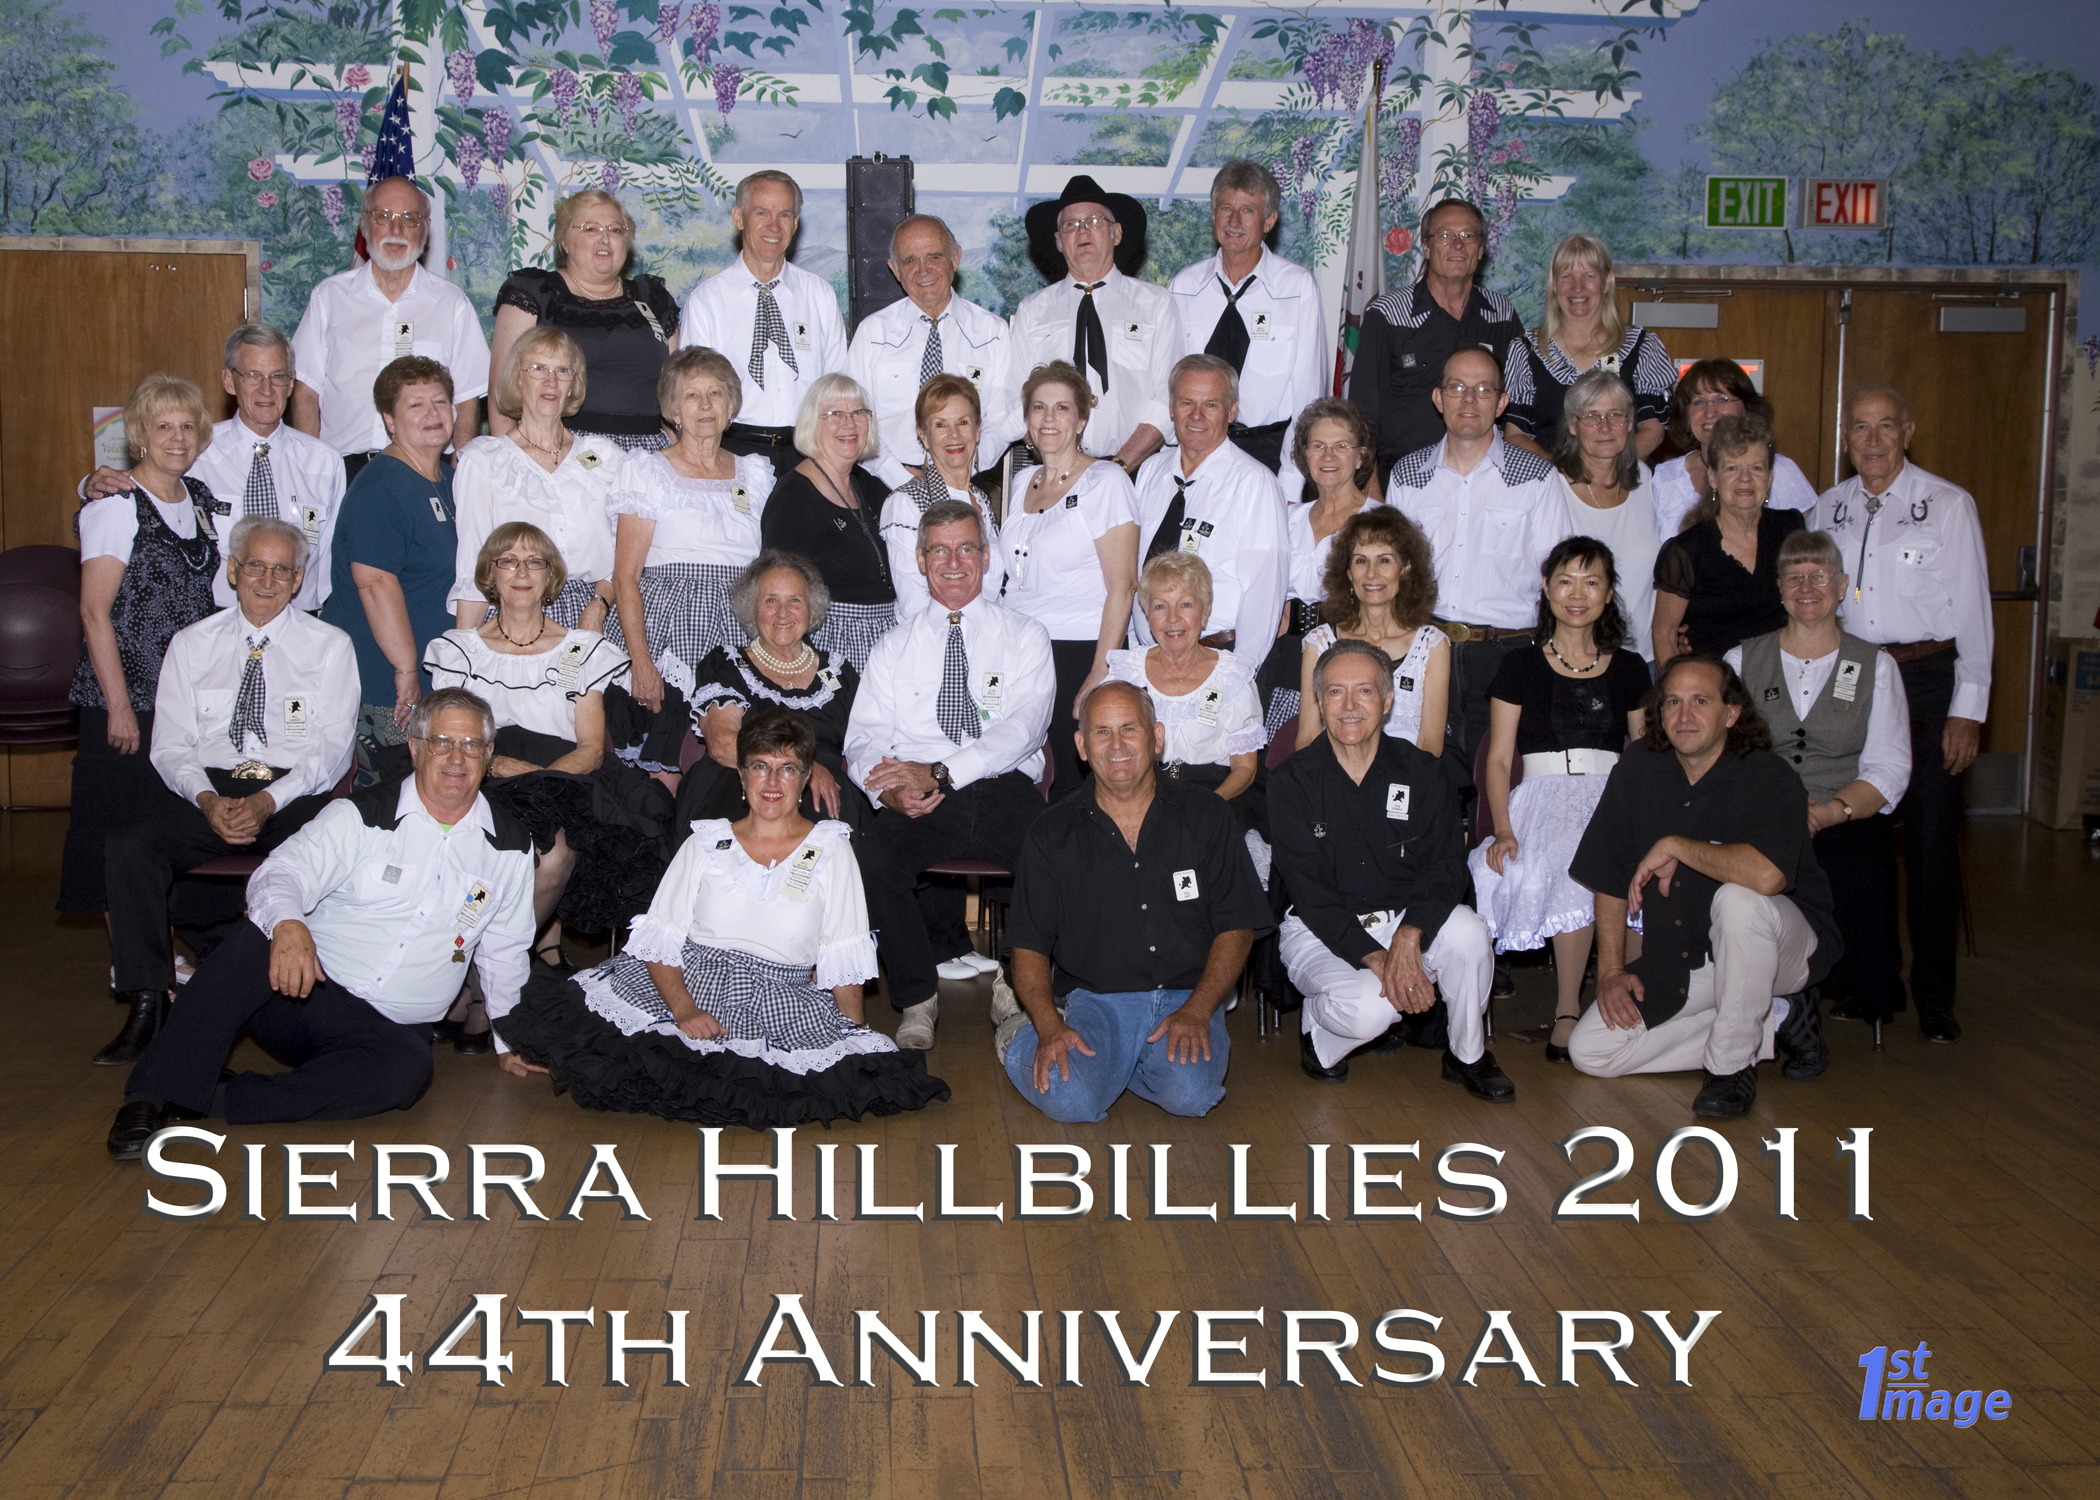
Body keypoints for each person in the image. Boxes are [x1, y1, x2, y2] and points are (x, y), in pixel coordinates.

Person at [104, 689, 535, 1157]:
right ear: (415, 748)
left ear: (488, 755)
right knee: (257, 935)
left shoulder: (511, 845)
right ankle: (151, 1095)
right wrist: (289, 925)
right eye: (442, 742)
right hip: (304, 990)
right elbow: (280, 873)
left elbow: (506, 949)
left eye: (471, 745)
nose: (456, 758)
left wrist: (510, 1042)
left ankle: (212, 1097)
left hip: (392, 1025)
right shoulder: (359, 815)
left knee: (404, 1078)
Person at [494, 707, 950, 1124]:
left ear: (806, 777)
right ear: (742, 777)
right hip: (690, 983)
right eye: (760, 766)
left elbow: (842, 956)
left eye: (788, 768)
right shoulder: (706, 841)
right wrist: (684, 1010)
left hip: (780, 997)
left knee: (795, 1085)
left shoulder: (832, 848)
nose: (773, 781)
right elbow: (660, 941)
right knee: (624, 1059)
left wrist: (852, 1035)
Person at [97, 516, 359, 1064]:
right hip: (211, 790)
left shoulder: (330, 646)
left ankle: (331, 1002)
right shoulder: (192, 644)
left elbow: (331, 752)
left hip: (292, 794)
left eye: (282, 570)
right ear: (233, 571)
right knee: (130, 845)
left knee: (336, 847)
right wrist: (207, 800)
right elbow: (171, 746)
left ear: (299, 579)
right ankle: (148, 1001)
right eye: (256, 566)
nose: (268, 580)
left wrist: (267, 801)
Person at [1566, 655, 1837, 1117]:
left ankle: (1730, 1070)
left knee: (1738, 900)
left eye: (1701, 701)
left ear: (1731, 713)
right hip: (1686, 954)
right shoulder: (1639, 767)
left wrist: (1676, 845)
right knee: (1590, 1051)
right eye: (1673, 702)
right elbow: (1609, 873)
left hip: (1782, 949)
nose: (1684, 715)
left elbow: (1767, 876)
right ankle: (1777, 1019)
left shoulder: (1768, 774)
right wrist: (1610, 971)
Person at [1811, 385, 1992, 1044]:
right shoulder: (1827, 508)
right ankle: (1870, 984)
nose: (1874, 439)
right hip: (1853, 676)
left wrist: (1968, 708)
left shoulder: (1947, 505)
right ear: (1846, 438)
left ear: (1908, 432)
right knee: (1857, 834)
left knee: (1929, 838)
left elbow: (1974, 612)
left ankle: (1935, 997)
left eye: (1886, 426)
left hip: (1928, 678)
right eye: (1861, 427)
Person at [1000, 680, 1269, 1120]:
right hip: (1097, 1000)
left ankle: (1119, 1066)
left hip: (1189, 995)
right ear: (1082, 746)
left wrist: (1199, 1009)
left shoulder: (1208, 815)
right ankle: (1017, 1034)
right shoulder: (1051, 832)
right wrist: (1048, 1027)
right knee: (1070, 1101)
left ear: (1157, 737)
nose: (1117, 745)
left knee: (1190, 1097)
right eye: (1102, 732)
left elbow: (1236, 925)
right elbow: (1028, 946)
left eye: (1130, 728)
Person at [845, 500, 1055, 1050]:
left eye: (966, 548)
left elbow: (1026, 728)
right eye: (939, 550)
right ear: (920, 559)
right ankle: (917, 997)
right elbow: (862, 737)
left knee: (1054, 853)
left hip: (1001, 784)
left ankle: (1016, 985)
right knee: (875, 856)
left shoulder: (1026, 634)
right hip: (919, 796)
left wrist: (942, 770)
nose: (954, 562)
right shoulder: (893, 645)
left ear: (986, 556)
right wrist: (888, 792)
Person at [1270, 640, 1512, 1099]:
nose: (1349, 706)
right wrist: (1380, 960)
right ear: (1319, 702)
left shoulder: (1423, 771)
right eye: (1336, 692)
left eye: (1364, 691)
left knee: (1469, 933)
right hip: (1320, 930)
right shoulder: (1291, 782)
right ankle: (1317, 1034)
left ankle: (1468, 1056)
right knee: (1372, 1010)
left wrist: (1410, 934)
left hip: (1404, 918)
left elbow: (1447, 867)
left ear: (1386, 700)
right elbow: (1310, 893)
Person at [424, 524, 670, 971]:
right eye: (508, 561)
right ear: (490, 574)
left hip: (562, 777)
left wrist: (535, 779)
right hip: (479, 772)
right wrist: (495, 764)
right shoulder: (459, 650)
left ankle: (495, 963)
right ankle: (460, 963)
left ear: (550, 575)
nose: (522, 572)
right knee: (475, 852)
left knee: (554, 857)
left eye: (534, 561)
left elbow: (591, 749)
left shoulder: (581, 649)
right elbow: (447, 737)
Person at [1468, 537, 1651, 1061]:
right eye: (1566, 581)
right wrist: (1503, 830)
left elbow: (1643, 753)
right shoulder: (1518, 665)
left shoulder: (1631, 668)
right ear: (1547, 588)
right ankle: (1569, 1007)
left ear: (1609, 593)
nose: (1577, 594)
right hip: (1541, 798)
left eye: (1592, 582)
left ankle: (1635, 999)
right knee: (1571, 859)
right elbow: (1498, 759)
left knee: (1636, 864)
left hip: (1613, 793)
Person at [1727, 530, 1911, 1028]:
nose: (1806, 588)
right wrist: (1779, 811)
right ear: (1779, 588)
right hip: (1763, 814)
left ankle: (1855, 986)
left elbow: (1889, 765)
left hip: (1842, 812)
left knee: (1861, 854)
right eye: (1794, 577)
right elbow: (1726, 756)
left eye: (1820, 576)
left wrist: (1831, 812)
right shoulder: (1741, 661)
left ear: (1843, 585)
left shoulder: (1876, 665)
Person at [59, 373, 222, 920]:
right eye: (163, 426)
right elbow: (93, 611)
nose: (177, 438)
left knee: (167, 833)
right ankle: (135, 960)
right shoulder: (116, 504)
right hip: (128, 698)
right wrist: (120, 707)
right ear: (139, 435)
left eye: (188, 426)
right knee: (118, 834)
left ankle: (164, 947)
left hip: (182, 698)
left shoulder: (198, 497)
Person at [1385, 348, 1564, 788]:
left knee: (1501, 786)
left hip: (1508, 655)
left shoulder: (1538, 477)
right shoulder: (1407, 475)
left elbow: (1559, 581)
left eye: (1483, 389)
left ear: (1502, 403)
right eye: (1457, 388)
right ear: (1438, 398)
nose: (1469, 400)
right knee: (1426, 783)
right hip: (1426, 650)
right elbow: (1390, 577)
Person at [76, 325, 345, 613]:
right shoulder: (193, 449)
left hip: (299, 620)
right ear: (229, 380)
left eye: (277, 377)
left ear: (291, 383)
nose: (266, 389)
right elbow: (142, 490)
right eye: (252, 375)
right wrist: (89, 484)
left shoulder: (325, 461)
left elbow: (333, 559)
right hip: (214, 621)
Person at [603, 347, 777, 773]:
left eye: (715, 393)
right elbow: (625, 577)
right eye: (692, 395)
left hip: (742, 623)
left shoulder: (755, 474)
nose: (705, 405)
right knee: (665, 760)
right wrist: (641, 662)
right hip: (667, 628)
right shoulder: (646, 470)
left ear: (731, 405)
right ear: (672, 410)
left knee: (740, 755)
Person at [1000, 361, 1141, 800]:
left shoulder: (1106, 481)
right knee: (1020, 776)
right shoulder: (1022, 480)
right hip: (1021, 649)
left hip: (1078, 649)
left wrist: (1101, 668)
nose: (1048, 418)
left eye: (1062, 408)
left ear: (1081, 420)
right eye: (1038, 407)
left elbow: (1123, 586)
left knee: (1074, 783)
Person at [318, 357, 460, 786]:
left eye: (440, 401)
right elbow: (374, 582)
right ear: (389, 420)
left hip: (432, 676)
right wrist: (406, 668)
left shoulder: (448, 477)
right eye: (416, 405)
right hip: (388, 686)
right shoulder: (381, 486)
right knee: (390, 800)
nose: (432, 413)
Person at [289, 177, 486, 477]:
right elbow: (305, 391)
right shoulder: (328, 298)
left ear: (425, 227)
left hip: (427, 472)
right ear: (364, 224)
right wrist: (310, 467)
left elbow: (467, 399)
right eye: (383, 216)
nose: (396, 230)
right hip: (342, 472)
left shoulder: (452, 303)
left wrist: (462, 472)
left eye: (409, 218)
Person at [676, 552, 869, 833]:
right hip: (740, 792)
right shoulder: (728, 664)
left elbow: (866, 742)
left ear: (811, 611)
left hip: (823, 801)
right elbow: (721, 742)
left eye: (795, 600)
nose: (782, 612)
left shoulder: (838, 672)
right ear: (752, 610)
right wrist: (804, 769)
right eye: (770, 600)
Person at [451, 327, 619, 633]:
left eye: (562, 371)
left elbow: (626, 557)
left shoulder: (605, 458)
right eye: (538, 369)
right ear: (517, 379)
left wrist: (598, 606)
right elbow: (471, 573)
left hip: (599, 616)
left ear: (574, 384)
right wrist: (464, 652)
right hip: (515, 618)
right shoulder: (484, 461)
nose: (551, 381)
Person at [1009, 175, 1181, 473]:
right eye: (1070, 224)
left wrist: (1120, 466)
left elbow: (1171, 393)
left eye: (1094, 221)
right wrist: (1060, 465)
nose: (1082, 231)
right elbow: (1016, 398)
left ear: (1116, 233)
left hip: (1140, 470)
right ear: (1059, 242)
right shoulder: (1032, 311)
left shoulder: (1156, 304)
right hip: (1057, 472)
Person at [1166, 160, 1327, 478]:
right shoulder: (1184, 286)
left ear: (1269, 220)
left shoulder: (1297, 288)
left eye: (1247, 210)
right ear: (1213, 215)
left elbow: (1309, 395)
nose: (1234, 221)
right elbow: (1168, 382)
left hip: (1268, 453)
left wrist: (1292, 481)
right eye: (1226, 208)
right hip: (1193, 450)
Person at [488, 188, 682, 450]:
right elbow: (501, 394)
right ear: (565, 242)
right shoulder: (536, 292)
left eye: (615, 230)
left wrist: (677, 458)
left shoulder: (653, 299)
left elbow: (674, 395)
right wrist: (506, 459)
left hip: (648, 453)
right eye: (590, 229)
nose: (605, 239)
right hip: (561, 451)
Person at [1351, 197, 1522, 484]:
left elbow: (1518, 405)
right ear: (1427, 247)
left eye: (1468, 236)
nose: (1457, 245)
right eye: (1445, 235)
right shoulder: (1388, 314)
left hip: (1486, 478)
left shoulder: (1501, 314)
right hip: (1401, 480)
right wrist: (1371, 489)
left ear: (1481, 249)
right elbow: (1362, 414)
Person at [677, 170, 846, 458]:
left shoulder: (820, 295)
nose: (774, 226)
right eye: (762, 213)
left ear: (795, 223)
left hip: (810, 452)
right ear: (738, 217)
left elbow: (838, 385)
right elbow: (693, 395)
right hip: (732, 451)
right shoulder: (706, 301)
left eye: (784, 215)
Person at [1131, 355, 1288, 665]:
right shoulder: (1150, 472)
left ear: (1232, 411)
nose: (1196, 416)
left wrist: (1239, 672)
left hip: (1217, 656)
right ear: (1172, 407)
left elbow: (1264, 592)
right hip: (1147, 657)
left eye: (1211, 405)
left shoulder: (1255, 483)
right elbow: (1133, 570)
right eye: (1187, 403)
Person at [848, 214, 1023, 487]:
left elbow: (1001, 420)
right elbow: (854, 418)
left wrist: (963, 470)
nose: (923, 270)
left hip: (968, 481)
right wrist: (898, 477)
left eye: (934, 257)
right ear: (895, 270)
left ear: (955, 259)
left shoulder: (992, 333)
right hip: (886, 484)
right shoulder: (872, 334)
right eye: (910, 260)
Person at [1106, 553, 1266, 832]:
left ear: (1205, 612)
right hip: (1141, 794)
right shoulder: (1125, 673)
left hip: (1216, 795)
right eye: (1160, 606)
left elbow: (1245, 769)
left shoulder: (1232, 675)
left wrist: (1206, 807)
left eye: (1186, 605)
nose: (1173, 618)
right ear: (1147, 615)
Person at [759, 373, 896, 672]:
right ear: (812, 423)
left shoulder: (864, 486)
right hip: (829, 648)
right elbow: (778, 593)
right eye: (835, 414)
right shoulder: (793, 497)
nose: (849, 423)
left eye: (858, 413)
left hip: (882, 642)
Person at [1502, 233, 1674, 461]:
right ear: (1554, 284)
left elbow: (1653, 430)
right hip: (1551, 478)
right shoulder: (1526, 351)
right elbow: (1515, 435)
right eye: (1567, 276)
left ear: (1607, 281)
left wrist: (1609, 474)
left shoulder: (1642, 347)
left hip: (1624, 478)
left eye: (1589, 276)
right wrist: (1561, 475)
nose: (1578, 287)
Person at [1294, 507, 1448, 757]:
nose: (1372, 573)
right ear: (1348, 572)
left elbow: (1431, 744)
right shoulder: (1319, 642)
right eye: (1361, 561)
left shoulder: (1432, 645)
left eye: (1384, 560)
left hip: (1408, 775)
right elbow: (1308, 737)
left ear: (1405, 567)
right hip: (1334, 774)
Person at [1269, 397, 1383, 729]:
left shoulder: (1380, 522)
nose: (1328, 456)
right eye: (1318, 446)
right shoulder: (1287, 518)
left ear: (1361, 456)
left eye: (1341, 446)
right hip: (1285, 656)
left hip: (1350, 657)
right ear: (1304, 455)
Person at [1652, 412, 1804, 660]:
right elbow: (1664, 634)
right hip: (1714, 679)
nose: (1745, 478)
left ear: (1769, 478)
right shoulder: (1687, 550)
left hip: (1783, 675)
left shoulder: (1791, 529)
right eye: (1732, 468)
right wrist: (1679, 682)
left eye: (1756, 468)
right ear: (1713, 477)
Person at [1550, 369, 1661, 661]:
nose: (1605, 427)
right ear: (1572, 425)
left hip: (1644, 659)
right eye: (1591, 416)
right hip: (1572, 658)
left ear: (1630, 422)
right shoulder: (1549, 488)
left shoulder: (1647, 480)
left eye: (1615, 415)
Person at [878, 373, 1007, 624]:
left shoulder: (981, 499)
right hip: (936, 639)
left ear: (978, 429)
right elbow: (914, 604)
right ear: (923, 435)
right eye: (940, 425)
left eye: (963, 422)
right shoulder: (905, 503)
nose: (954, 435)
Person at [1652, 359, 1817, 539]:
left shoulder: (1779, 470)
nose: (1710, 412)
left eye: (1722, 400)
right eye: (1699, 402)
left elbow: (1811, 546)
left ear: (1746, 409)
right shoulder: (1662, 478)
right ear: (1685, 414)